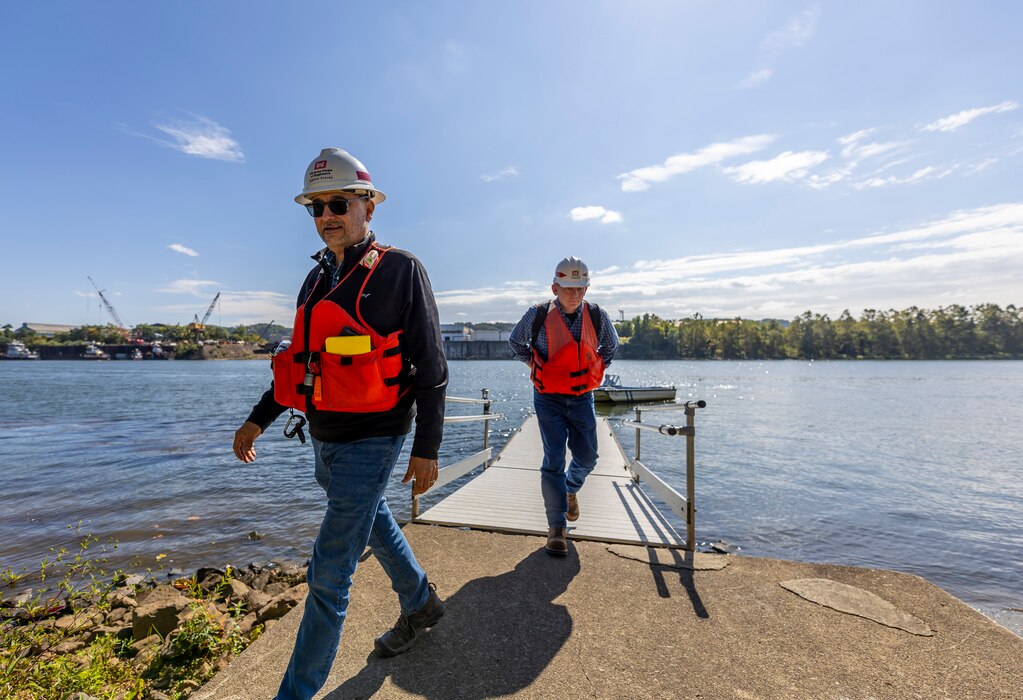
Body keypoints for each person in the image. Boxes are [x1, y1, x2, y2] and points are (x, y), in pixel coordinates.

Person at [232, 147, 448, 700]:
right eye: (317, 206)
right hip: (324, 439)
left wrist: (427, 447)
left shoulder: (401, 269)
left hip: (377, 436)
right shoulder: (314, 280)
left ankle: (294, 694)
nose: (328, 214)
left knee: (329, 574)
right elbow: (303, 362)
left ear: (368, 207)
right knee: (370, 513)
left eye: (339, 203)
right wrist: (258, 420)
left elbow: (432, 367)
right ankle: (420, 600)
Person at [508, 257, 619, 555]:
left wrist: (595, 368)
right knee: (553, 459)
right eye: (569, 288)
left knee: (588, 456)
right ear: (555, 286)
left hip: (583, 396)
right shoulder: (537, 314)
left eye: (581, 287)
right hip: (549, 398)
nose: (575, 294)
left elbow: (611, 346)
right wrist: (535, 363)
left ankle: (570, 489)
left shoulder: (597, 315)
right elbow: (516, 343)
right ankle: (557, 528)